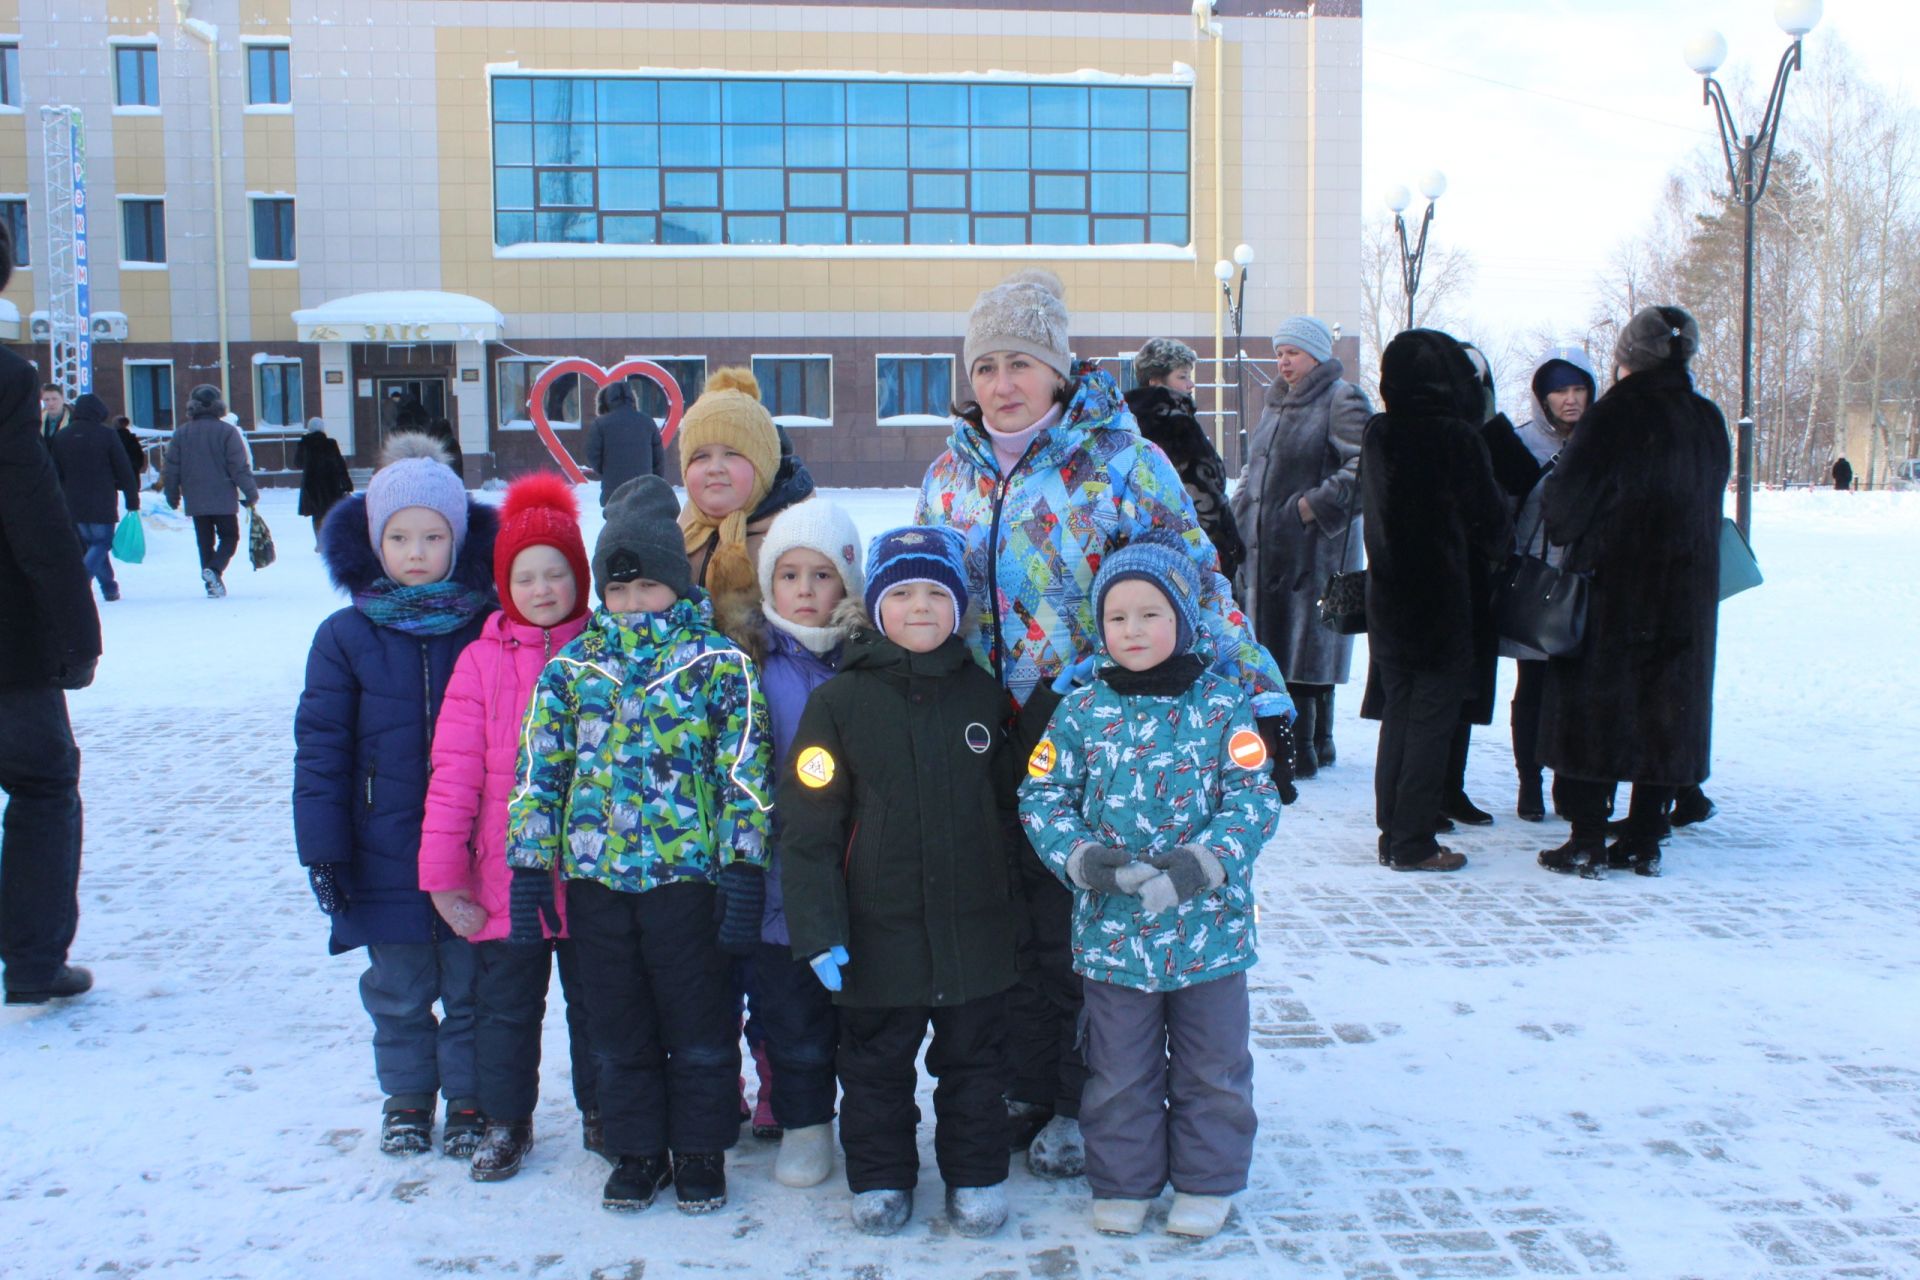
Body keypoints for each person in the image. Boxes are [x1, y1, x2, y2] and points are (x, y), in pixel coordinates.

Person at [915, 269, 1289, 1182]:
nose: (1004, 384)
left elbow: (1194, 583)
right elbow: (923, 589)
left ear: (1059, 366)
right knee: (1000, 910)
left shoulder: (1122, 458)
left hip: (1095, 722)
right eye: (989, 366)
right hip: (979, 722)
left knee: (1076, 917)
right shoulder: (948, 473)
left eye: (1023, 364)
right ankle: (1019, 1079)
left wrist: (1260, 696)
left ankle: (1083, 1094)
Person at [506, 475, 773, 1216]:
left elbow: (743, 774)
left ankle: (698, 1149)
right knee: (617, 1025)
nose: (631, 603)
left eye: (648, 586)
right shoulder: (570, 672)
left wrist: (743, 865)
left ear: (676, 585)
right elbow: (540, 770)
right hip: (598, 885)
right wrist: (530, 868)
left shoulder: (718, 666)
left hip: (688, 885)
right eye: (617, 590)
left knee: (699, 1021)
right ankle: (635, 1150)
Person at [1019, 537, 1280, 1241]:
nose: (1132, 631)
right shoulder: (1079, 712)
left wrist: (1200, 866)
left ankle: (1207, 1179)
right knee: (1119, 1070)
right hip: (1113, 939)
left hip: (1211, 936)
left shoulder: (1224, 706)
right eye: (1117, 618)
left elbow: (1254, 797)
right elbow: (1041, 797)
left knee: (1213, 1067)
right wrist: (1087, 862)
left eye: (1150, 614)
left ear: (1186, 621)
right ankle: (1125, 1181)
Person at [779, 526, 1019, 1239]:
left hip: (973, 928)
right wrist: (819, 928)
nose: (920, 609)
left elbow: (1010, 809)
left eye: (936, 595)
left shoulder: (983, 696)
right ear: (875, 606)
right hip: (876, 933)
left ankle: (976, 1177)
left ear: (960, 608)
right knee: (877, 1066)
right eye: (903, 593)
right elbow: (809, 826)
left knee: (976, 1066)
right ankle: (881, 1177)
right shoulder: (839, 705)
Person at [293, 434, 498, 1158]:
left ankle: (471, 1097)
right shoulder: (345, 637)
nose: (416, 552)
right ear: (374, 542)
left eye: (433, 536)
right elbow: (320, 751)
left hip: (473, 850)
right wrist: (323, 849)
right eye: (400, 536)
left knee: (472, 985)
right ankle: (408, 1097)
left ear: (459, 539)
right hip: (381, 850)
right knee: (401, 989)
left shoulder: (486, 628)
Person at [417, 473, 598, 1182]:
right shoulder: (480, 661)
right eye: (527, 575)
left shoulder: (600, 658)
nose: (544, 588)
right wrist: (442, 878)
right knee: (505, 1012)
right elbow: (454, 774)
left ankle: (604, 1111)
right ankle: (505, 1119)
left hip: (589, 879)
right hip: (503, 880)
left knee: (598, 1009)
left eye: (558, 573)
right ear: (504, 582)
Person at [1537, 306, 1730, 879]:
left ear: (1627, 356)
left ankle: (1587, 837)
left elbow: (1567, 508)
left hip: (1614, 591)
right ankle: (1646, 835)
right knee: (1668, 708)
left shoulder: (1612, 417)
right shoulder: (1705, 417)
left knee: (1599, 707)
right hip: (1686, 593)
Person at [714, 499, 866, 1189]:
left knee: (863, 1022)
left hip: (860, 883)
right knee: (791, 1021)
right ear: (768, 583)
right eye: (790, 575)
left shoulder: (870, 664)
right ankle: (807, 1126)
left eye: (823, 576)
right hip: (779, 889)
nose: (805, 591)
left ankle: (868, 1124)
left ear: (850, 586)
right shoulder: (749, 665)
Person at [1359, 330, 1512, 874]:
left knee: (1399, 716)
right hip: (1442, 601)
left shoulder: (1379, 432)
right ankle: (1414, 842)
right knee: (1430, 721)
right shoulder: (1455, 437)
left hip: (1389, 597)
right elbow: (1492, 524)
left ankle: (1391, 831)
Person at [0, 219, 99, 1006]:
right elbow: (32, 514)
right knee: (42, 783)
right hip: (8, 649)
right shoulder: (5, 382)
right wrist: (77, 633)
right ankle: (33, 962)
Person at [1230, 314, 1372, 779]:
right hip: (1268, 547)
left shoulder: (1340, 398)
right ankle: (1305, 742)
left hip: (1315, 551)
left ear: (1315, 354)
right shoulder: (1276, 403)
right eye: (1278, 353)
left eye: (1291, 352)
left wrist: (1311, 507)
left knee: (1307, 649)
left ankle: (1306, 747)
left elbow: (1365, 467)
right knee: (1275, 647)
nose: (1283, 361)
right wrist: (1242, 509)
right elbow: (1256, 469)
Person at [1504, 349, 1597, 822]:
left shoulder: (1604, 441)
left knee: (1578, 690)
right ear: (1542, 396)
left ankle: (1567, 781)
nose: (1570, 399)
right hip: (1536, 585)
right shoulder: (1521, 443)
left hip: (1588, 584)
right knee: (1534, 688)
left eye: (1579, 389)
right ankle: (1530, 783)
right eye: (1560, 390)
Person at [1123, 338, 1246, 580]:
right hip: (1191, 556)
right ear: (1155, 380)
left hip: (1138, 553)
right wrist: (1228, 548)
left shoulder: (1125, 422)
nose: (1190, 384)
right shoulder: (1176, 424)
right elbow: (1203, 494)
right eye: (1182, 376)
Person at [164, 384, 260, 598]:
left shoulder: (182, 433)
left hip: (195, 496)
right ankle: (214, 570)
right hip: (223, 496)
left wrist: (172, 493)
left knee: (204, 541)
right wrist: (250, 493)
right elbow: (238, 466)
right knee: (230, 537)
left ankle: (210, 583)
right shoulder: (227, 432)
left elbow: (171, 467)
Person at [50, 394, 140, 603]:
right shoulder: (106, 435)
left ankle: (110, 588)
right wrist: (132, 499)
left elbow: (55, 472)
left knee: (94, 544)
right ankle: (79, 582)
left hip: (73, 501)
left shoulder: (62, 437)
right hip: (102, 499)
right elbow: (123, 468)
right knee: (102, 542)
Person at [583, 379, 667, 508]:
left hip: (614, 493)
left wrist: (608, 470)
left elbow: (592, 455)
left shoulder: (600, 424)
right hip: (644, 491)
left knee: (616, 526)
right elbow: (658, 460)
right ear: (633, 399)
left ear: (604, 402)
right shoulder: (647, 422)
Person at [295, 417, 354, 546]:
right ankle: (331, 539)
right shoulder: (331, 444)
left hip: (312, 485)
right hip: (331, 484)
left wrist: (302, 444)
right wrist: (346, 483)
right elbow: (340, 465)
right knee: (331, 512)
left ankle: (320, 541)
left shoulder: (305, 444)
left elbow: (298, 463)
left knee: (316, 515)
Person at [112, 415, 147, 485]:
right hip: (131, 472)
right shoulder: (131, 438)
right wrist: (135, 466)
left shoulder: (112, 438)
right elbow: (139, 455)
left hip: (116, 474)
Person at [40, 384, 70, 452]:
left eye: (54, 399)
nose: (51, 403)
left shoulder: (73, 420)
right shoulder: (37, 421)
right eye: (46, 400)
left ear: (63, 399)